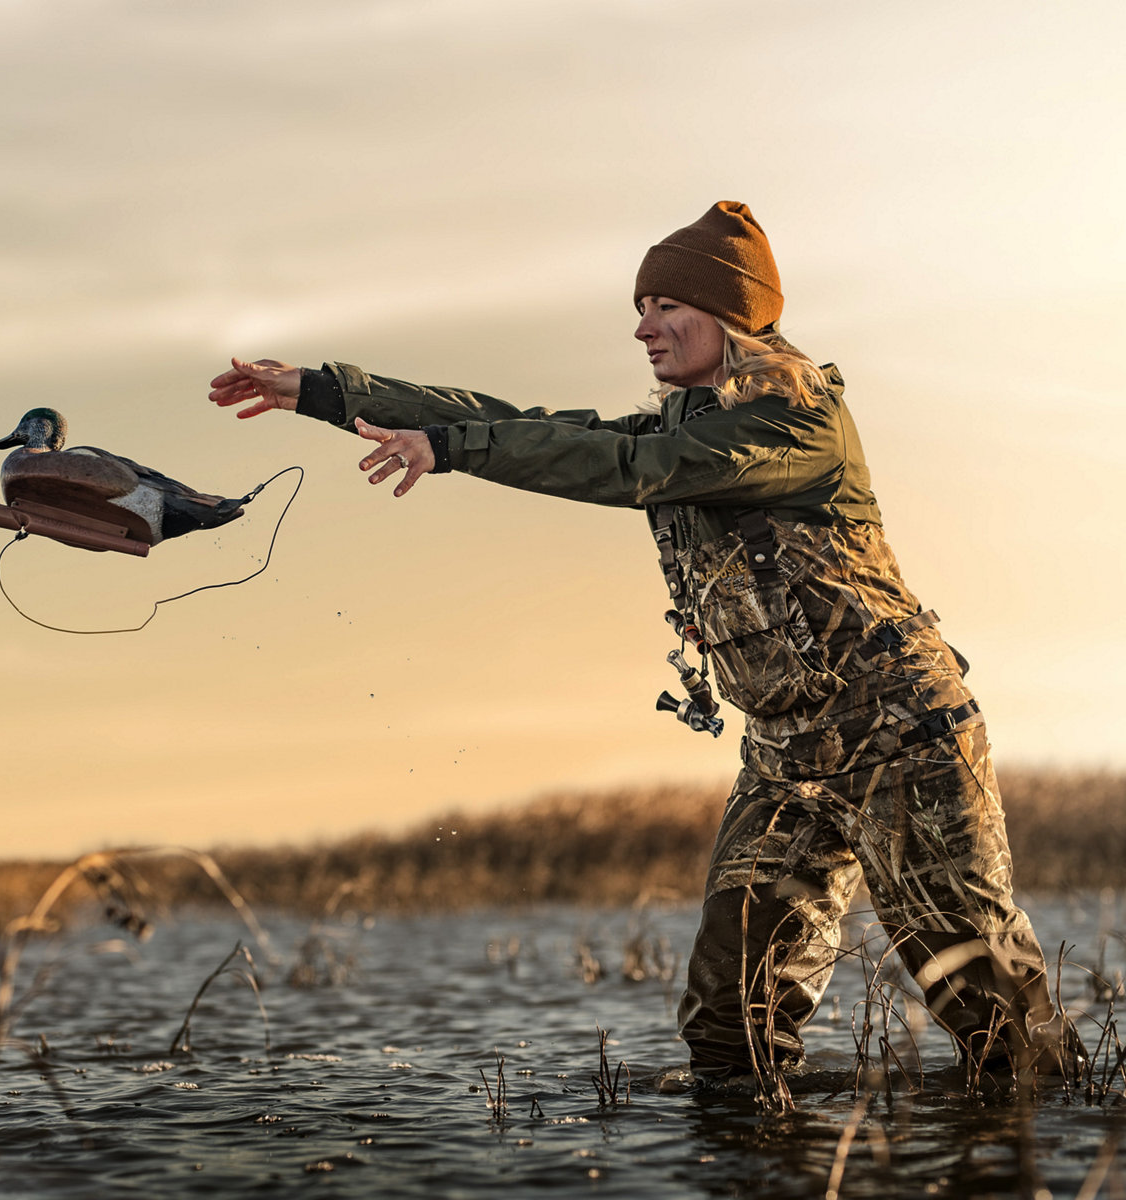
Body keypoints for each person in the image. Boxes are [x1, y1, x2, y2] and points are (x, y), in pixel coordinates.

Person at [208, 201, 1082, 1089]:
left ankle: (1058, 1144)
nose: (643, 327)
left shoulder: (795, 423)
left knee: (992, 1009)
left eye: (668, 305)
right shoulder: (679, 428)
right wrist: (323, 392)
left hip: (898, 735)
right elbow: (529, 423)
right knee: (727, 1028)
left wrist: (448, 448)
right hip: (785, 753)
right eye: (642, 304)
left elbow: (629, 473)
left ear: (736, 314)